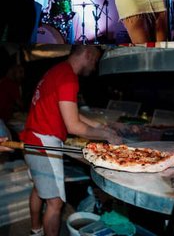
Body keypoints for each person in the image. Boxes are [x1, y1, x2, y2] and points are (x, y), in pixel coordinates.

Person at [20, 46, 121, 236]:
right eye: (95, 60)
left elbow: (71, 112)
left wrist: (99, 127)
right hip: (44, 143)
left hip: (32, 139)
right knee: (55, 202)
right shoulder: (68, 77)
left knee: (39, 188)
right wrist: (107, 136)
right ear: (88, 53)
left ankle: (36, 230)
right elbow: (73, 126)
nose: (94, 66)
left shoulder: (57, 70)